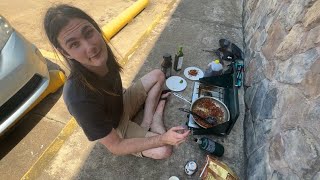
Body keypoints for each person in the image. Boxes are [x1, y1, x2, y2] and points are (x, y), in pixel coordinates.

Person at [43, 4, 190, 159]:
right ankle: (156, 116)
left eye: (88, 33)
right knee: (164, 149)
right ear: (65, 52)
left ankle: (149, 121)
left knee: (159, 75)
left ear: (96, 27)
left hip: (122, 104)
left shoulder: (104, 56)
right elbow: (115, 146)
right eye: (74, 44)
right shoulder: (78, 98)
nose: (90, 47)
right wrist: (162, 139)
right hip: (117, 129)